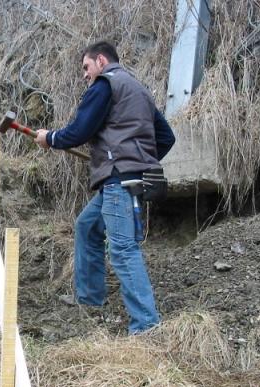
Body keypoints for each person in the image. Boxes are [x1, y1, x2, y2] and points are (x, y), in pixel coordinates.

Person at [34, 41, 175, 334]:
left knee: (123, 250)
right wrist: (139, 160)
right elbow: (166, 137)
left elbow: (80, 130)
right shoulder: (138, 90)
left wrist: (52, 138)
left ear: (101, 60)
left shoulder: (105, 85)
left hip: (117, 180)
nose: (86, 75)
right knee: (87, 226)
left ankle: (146, 326)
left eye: (86, 67)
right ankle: (90, 300)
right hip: (129, 176)